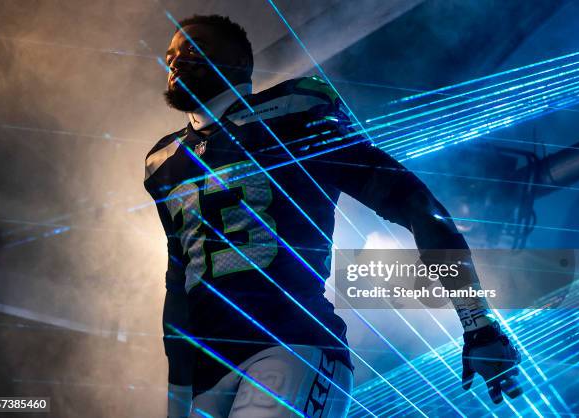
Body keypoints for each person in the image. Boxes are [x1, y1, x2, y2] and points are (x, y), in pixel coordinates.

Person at [144, 14, 522, 418]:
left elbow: (416, 204)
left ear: (237, 61)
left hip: (290, 343)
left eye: (192, 50)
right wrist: (177, 399)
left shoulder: (293, 113)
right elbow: (178, 287)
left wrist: (477, 322)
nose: (176, 62)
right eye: (170, 55)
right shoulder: (163, 163)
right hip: (208, 370)